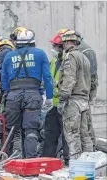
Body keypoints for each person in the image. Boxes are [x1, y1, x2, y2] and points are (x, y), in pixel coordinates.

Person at [1, 27, 53, 158]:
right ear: (33, 41)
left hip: (13, 95)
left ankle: (4, 159)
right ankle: (30, 159)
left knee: (10, 129)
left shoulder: (9, 55)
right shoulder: (40, 54)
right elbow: (47, 77)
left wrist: (9, 93)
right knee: (30, 129)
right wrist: (49, 96)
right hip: (33, 95)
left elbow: (4, 79)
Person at [57, 29, 98, 150]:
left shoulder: (71, 56)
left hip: (73, 100)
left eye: (64, 42)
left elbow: (70, 79)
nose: (63, 45)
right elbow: (92, 80)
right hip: (84, 100)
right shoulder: (84, 57)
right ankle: (88, 162)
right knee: (85, 135)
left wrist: (62, 98)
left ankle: (76, 163)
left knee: (72, 134)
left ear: (68, 42)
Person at [42, 32, 69, 165]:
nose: (53, 48)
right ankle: (47, 159)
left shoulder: (69, 61)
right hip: (54, 104)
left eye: (55, 46)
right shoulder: (54, 61)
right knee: (50, 132)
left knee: (67, 134)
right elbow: (49, 80)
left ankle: (68, 160)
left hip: (65, 104)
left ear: (62, 47)